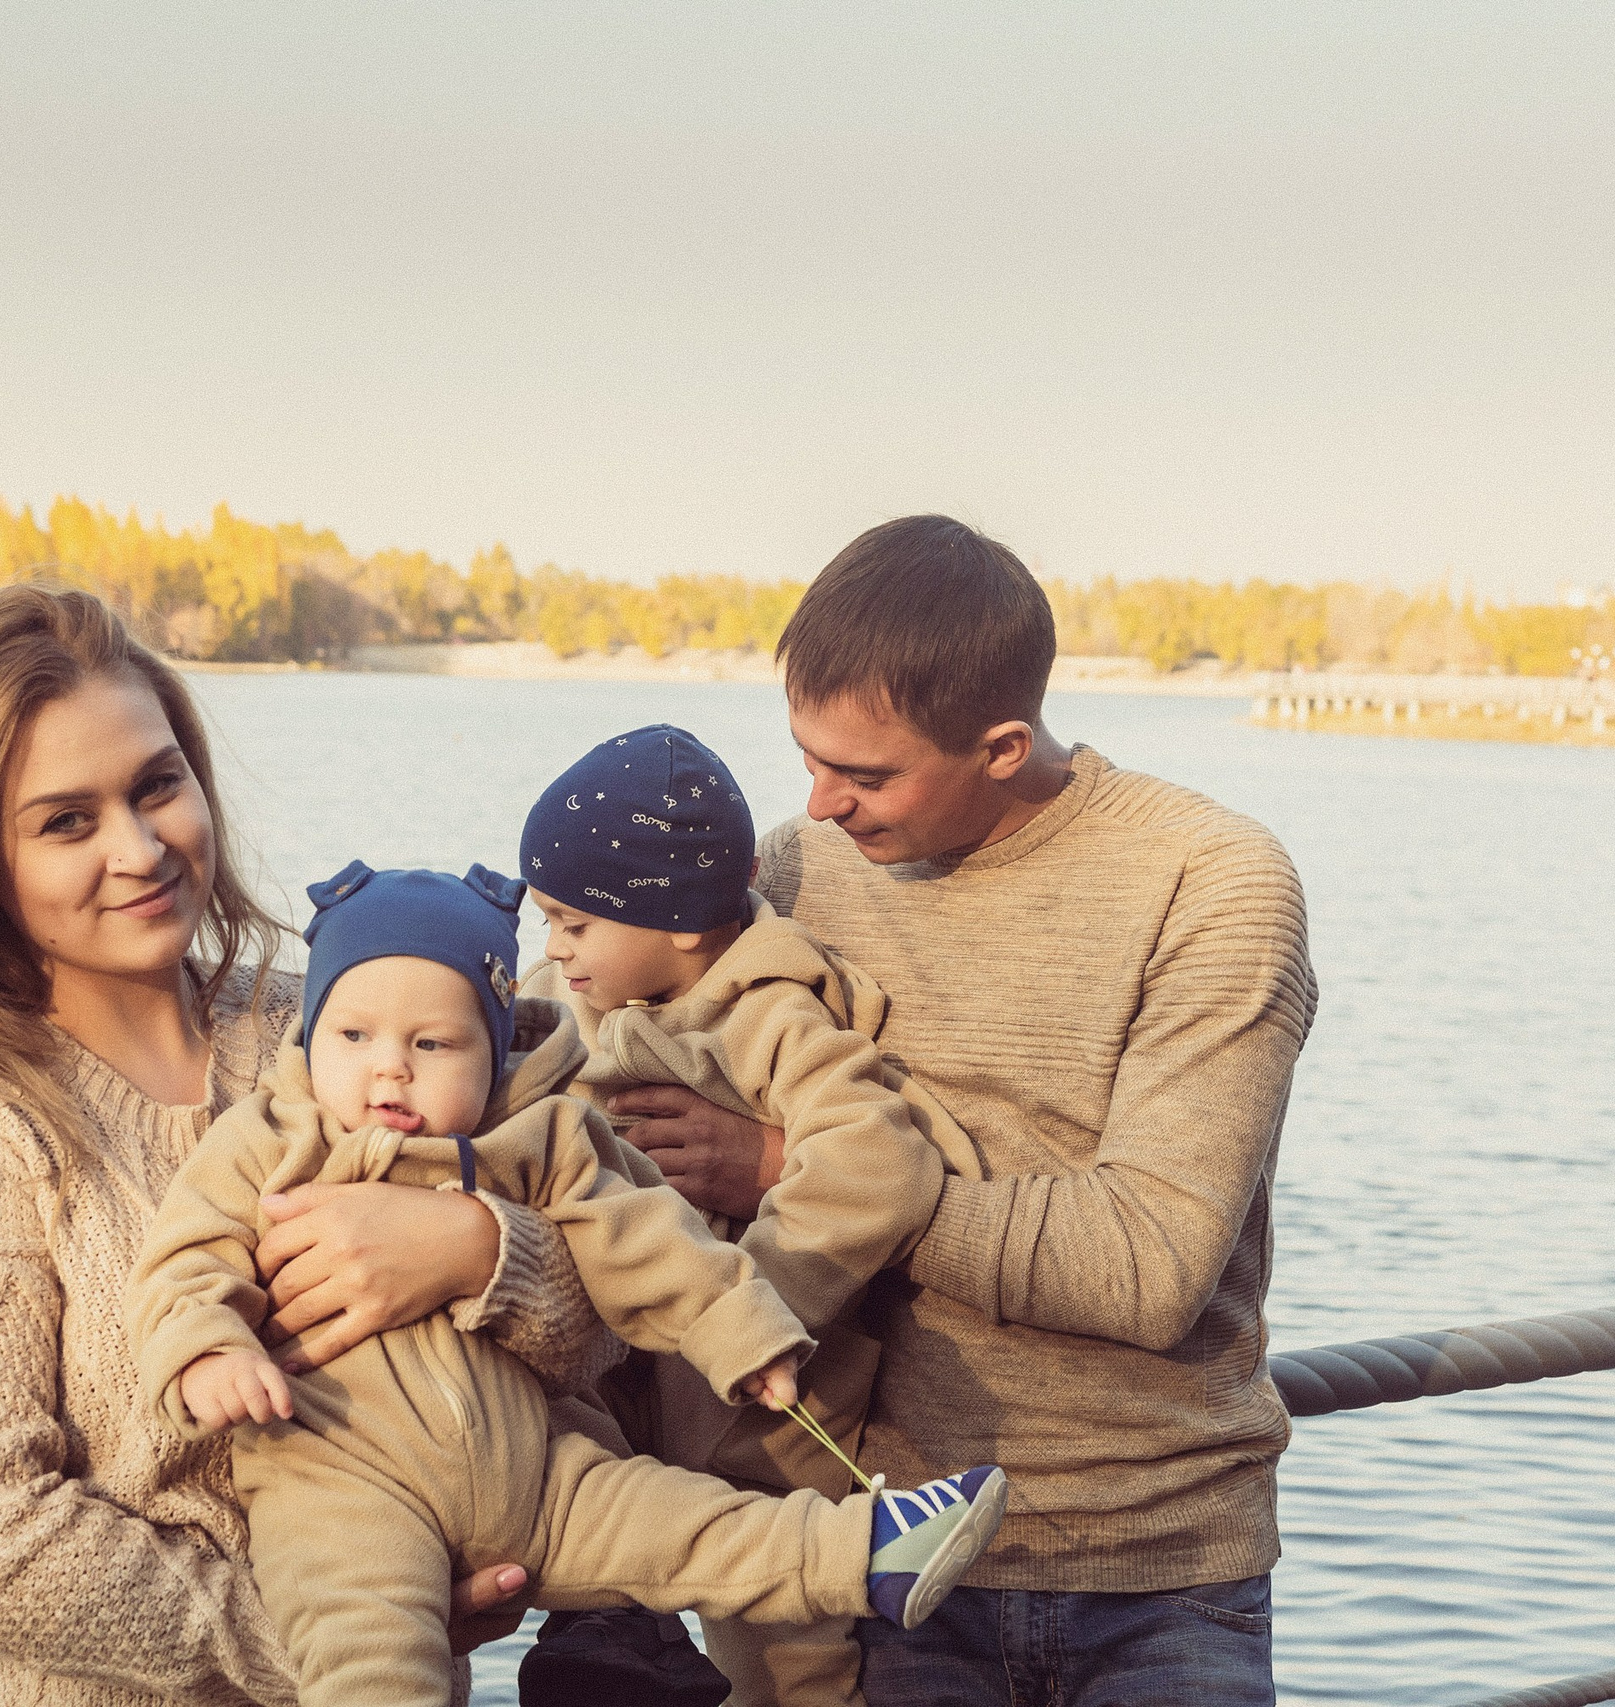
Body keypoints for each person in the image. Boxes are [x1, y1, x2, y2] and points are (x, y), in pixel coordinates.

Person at [0, 584, 622, 1707]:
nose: (141, 847)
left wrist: (480, 1252)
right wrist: (352, 1626)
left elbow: (620, 1326)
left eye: (159, 786)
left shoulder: (342, 1032)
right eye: (67, 821)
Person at [612, 516, 1318, 1706]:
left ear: (1001, 746)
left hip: (1158, 1573)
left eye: (867, 775)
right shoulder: (791, 870)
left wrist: (792, 1169)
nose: (822, 805)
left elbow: (1149, 1265)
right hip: (880, 1561)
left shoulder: (1211, 882)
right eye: (806, 757)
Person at [127, 860, 1010, 1707]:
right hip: (341, 1480)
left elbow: (650, 1240)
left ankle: (876, 1548)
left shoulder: (542, 1139)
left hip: (541, 1471)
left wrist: (744, 1335)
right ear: (311, 1032)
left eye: (433, 1043)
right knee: (370, 1663)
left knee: (697, 1527)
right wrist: (208, 1351)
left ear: (496, 1047)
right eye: (352, 1036)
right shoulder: (265, 1140)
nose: (389, 1068)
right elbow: (187, 1259)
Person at [517, 724, 984, 1707]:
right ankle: (610, 1629)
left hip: (767, 1412)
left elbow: (879, 1166)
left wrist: (743, 1310)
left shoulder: (768, 1013)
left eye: (574, 922)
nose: (552, 946)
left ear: (682, 924)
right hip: (620, 1392)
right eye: (542, 919)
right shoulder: (566, 997)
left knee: (788, 1657)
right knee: (573, 1534)